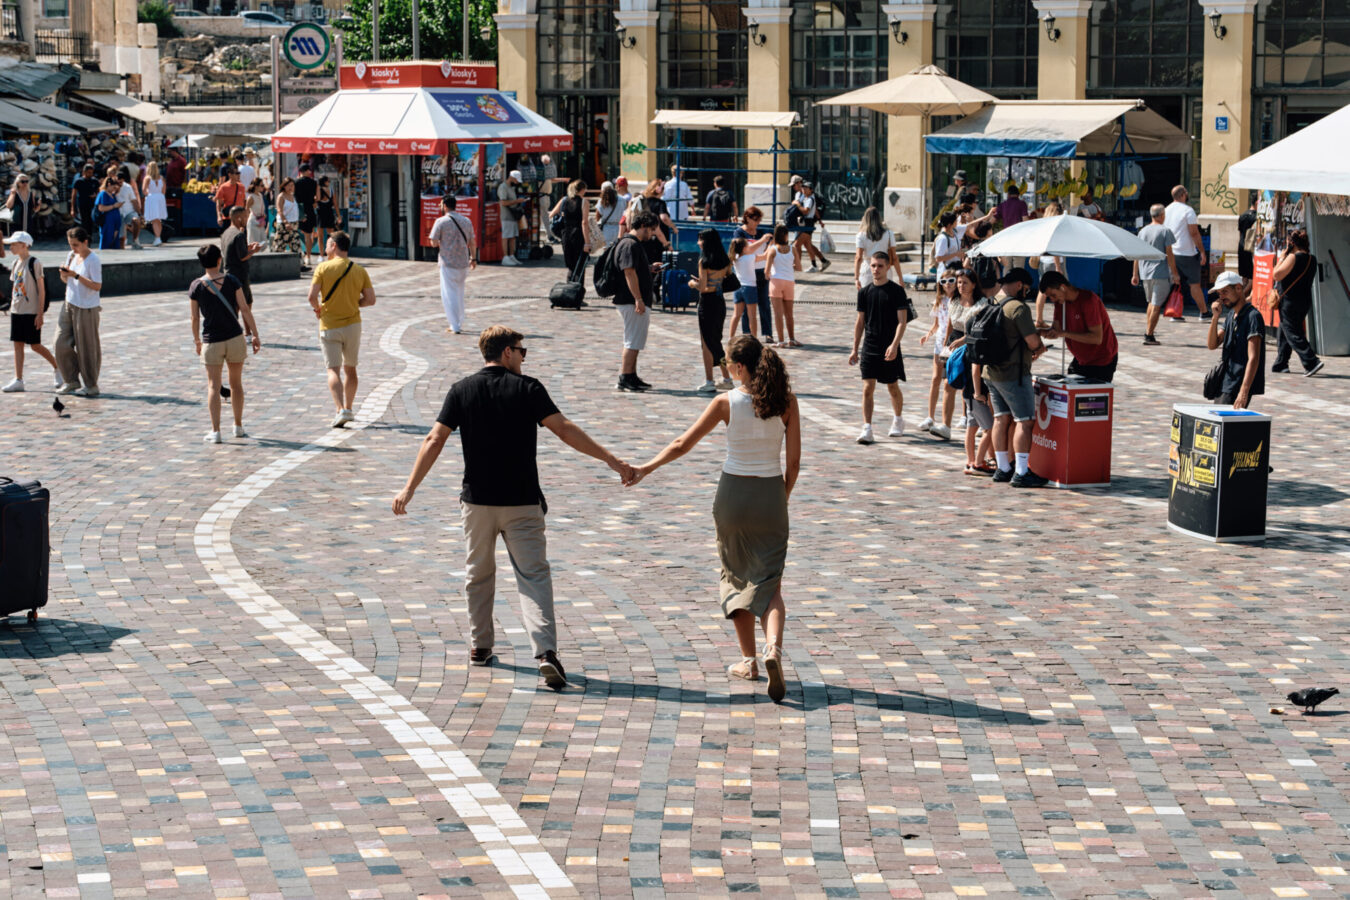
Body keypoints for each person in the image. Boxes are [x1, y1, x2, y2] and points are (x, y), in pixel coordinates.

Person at [392, 325, 633, 687]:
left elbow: (434, 438)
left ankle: (480, 646)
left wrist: (409, 488)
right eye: (522, 350)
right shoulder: (528, 389)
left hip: (477, 503)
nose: (524, 357)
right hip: (522, 501)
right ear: (507, 352)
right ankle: (545, 653)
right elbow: (564, 429)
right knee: (533, 576)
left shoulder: (461, 389)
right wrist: (611, 460)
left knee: (478, 573)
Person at [627, 334, 800, 703]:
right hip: (770, 493)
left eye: (727, 364)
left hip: (733, 495)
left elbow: (681, 444)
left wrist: (646, 467)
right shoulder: (786, 401)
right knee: (771, 584)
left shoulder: (726, 402)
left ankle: (749, 661)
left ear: (739, 367)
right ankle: (773, 650)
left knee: (736, 576)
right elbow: (795, 462)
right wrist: (779, 497)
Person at [975, 268, 1049, 488]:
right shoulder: (1018, 307)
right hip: (1013, 374)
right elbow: (1032, 342)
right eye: (1026, 289)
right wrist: (1040, 346)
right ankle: (1022, 471)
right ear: (1018, 284)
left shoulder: (991, 303)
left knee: (1000, 418)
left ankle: (1002, 468)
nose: (1026, 293)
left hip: (990, 372)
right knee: (1024, 421)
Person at [190, 243, 261, 443]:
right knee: (236, 384)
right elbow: (245, 309)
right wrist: (254, 334)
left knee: (213, 385)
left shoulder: (196, 286)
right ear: (219, 260)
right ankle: (238, 426)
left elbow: (194, 318)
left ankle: (216, 431)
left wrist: (196, 340)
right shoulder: (231, 280)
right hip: (235, 338)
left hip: (211, 341)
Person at [307, 231, 375, 427]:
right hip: (353, 325)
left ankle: (339, 409)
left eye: (328, 244)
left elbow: (311, 296)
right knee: (351, 369)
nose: (326, 247)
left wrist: (317, 309)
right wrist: (354, 303)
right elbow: (370, 299)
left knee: (333, 370)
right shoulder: (359, 270)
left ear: (334, 246)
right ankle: (349, 408)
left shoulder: (323, 268)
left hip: (329, 325)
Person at [849, 251, 908, 444]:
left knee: (892, 386)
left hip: (889, 346)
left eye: (880, 266)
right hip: (870, 346)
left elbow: (902, 322)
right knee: (867, 388)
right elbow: (860, 322)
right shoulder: (864, 292)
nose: (876, 269)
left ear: (888, 267)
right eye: (873, 265)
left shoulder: (897, 291)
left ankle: (898, 419)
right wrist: (854, 348)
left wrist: (894, 345)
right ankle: (867, 428)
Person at [947, 269, 994, 475]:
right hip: (958, 354)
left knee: (973, 421)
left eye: (965, 282)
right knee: (983, 423)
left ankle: (979, 459)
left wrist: (962, 340)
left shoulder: (982, 306)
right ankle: (976, 461)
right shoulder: (953, 302)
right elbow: (950, 327)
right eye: (958, 282)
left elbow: (977, 332)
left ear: (974, 284)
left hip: (972, 348)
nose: (960, 286)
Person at [1037, 271, 1120, 382]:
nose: (1052, 299)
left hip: (1101, 359)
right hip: (1081, 359)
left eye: (1053, 295)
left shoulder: (1089, 301)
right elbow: (1056, 331)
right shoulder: (1060, 303)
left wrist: (1065, 333)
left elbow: (1096, 338)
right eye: (1049, 297)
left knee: (1092, 397)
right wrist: (1037, 332)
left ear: (1062, 287)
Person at [2, 232, 58, 393]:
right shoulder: (15, 263)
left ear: (24, 245)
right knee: (17, 344)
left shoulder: (34, 263)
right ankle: (18, 379)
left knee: (35, 345)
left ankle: (57, 367)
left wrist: (40, 314)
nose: (10, 247)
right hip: (17, 310)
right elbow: (15, 287)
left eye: (14, 244)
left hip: (31, 311)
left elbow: (41, 290)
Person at [54, 227, 102, 398]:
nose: (73, 248)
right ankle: (71, 379)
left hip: (87, 307)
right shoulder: (72, 255)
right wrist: (64, 274)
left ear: (85, 242)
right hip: (69, 302)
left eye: (76, 245)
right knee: (60, 342)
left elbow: (97, 286)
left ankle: (91, 384)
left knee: (87, 347)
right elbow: (66, 279)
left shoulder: (93, 260)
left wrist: (75, 276)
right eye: (70, 244)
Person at [612, 211, 658, 392]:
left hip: (634, 299)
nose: (652, 234)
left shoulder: (631, 243)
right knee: (632, 340)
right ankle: (625, 377)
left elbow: (634, 269)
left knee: (636, 339)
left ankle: (631, 375)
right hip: (631, 300)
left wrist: (649, 269)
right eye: (651, 230)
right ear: (644, 227)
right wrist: (638, 299)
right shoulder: (630, 244)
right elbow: (629, 272)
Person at [1206, 270, 1265, 408]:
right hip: (1225, 381)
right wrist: (1215, 318)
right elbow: (1212, 344)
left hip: (1238, 383)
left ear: (1238, 288)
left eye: (1225, 292)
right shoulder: (1231, 315)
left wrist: (1244, 391)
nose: (1221, 297)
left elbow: (1253, 357)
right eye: (1219, 294)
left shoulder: (1252, 316)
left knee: (1227, 426)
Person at [1269, 229, 1323, 376]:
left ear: (1292, 243)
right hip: (1304, 300)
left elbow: (1276, 275)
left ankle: (1311, 361)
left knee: (1293, 333)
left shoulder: (1293, 258)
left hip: (1290, 301)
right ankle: (1281, 363)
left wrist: (1282, 257)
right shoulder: (1312, 259)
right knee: (1285, 329)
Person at [690, 229, 733, 393]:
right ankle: (727, 378)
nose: (698, 243)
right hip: (720, 302)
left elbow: (702, 287)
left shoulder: (704, 261)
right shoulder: (725, 260)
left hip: (707, 303)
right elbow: (727, 277)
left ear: (706, 242)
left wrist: (692, 284)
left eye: (700, 240)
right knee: (716, 341)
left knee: (707, 344)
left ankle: (709, 380)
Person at [429, 193, 477, 335]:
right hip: (463, 262)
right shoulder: (466, 221)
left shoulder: (441, 222)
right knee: (459, 293)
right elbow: (472, 242)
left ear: (444, 206)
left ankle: (454, 324)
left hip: (447, 262)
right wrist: (473, 258)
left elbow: (433, 242)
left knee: (449, 294)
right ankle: (459, 320)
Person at [1132, 204, 1180, 345]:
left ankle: (1149, 330)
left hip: (1145, 272)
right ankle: (1149, 334)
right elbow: (1169, 254)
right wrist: (1175, 273)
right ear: (1161, 215)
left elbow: (1137, 254)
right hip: (1160, 271)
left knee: (1151, 303)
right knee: (1156, 304)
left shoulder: (1143, 231)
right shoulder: (1165, 231)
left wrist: (1135, 273)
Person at [918, 272, 955, 440]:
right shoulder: (939, 301)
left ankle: (960, 417)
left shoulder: (958, 301)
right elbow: (936, 324)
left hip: (951, 345)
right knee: (935, 378)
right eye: (944, 281)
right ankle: (930, 416)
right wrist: (928, 334)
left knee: (952, 381)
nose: (947, 284)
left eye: (951, 281)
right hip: (939, 344)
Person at [1164, 185, 1209, 320]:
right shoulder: (1188, 211)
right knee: (1194, 283)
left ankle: (1176, 312)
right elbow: (1194, 233)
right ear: (1183, 194)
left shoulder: (1166, 210)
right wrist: (1202, 251)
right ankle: (1204, 312)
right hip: (1186, 252)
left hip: (1171, 251)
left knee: (1177, 283)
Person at [732, 207, 774, 343]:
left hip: (760, 271)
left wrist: (770, 244)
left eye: (759, 220)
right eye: (755, 220)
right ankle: (747, 333)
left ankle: (768, 333)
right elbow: (746, 251)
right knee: (746, 307)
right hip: (746, 273)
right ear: (748, 218)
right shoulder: (739, 233)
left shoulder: (760, 232)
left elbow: (765, 253)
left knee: (764, 302)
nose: (757, 223)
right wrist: (762, 240)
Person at [221, 205, 261, 313]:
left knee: (244, 303)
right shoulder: (239, 235)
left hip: (229, 273)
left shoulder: (226, 233)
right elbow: (243, 257)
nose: (247, 219)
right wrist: (254, 250)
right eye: (245, 217)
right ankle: (242, 329)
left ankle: (244, 329)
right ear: (239, 218)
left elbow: (232, 250)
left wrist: (247, 247)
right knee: (243, 305)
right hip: (239, 275)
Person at [764, 224, 799, 348]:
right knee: (789, 314)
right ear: (785, 235)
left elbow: (766, 270)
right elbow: (799, 267)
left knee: (778, 314)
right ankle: (792, 338)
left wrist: (768, 275)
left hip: (776, 281)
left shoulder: (772, 249)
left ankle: (781, 340)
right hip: (789, 281)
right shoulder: (793, 249)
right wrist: (790, 266)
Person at [549, 179, 591, 276]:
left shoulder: (564, 200)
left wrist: (564, 215)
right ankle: (577, 288)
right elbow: (584, 222)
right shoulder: (584, 202)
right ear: (582, 189)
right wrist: (587, 242)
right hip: (578, 234)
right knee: (580, 265)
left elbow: (551, 214)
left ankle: (570, 287)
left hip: (566, 233)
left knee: (570, 265)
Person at [853, 206, 900, 290]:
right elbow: (894, 257)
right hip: (884, 268)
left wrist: (856, 278)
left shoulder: (861, 235)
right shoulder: (889, 234)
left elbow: (858, 257)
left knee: (867, 299)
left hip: (868, 269)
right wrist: (900, 278)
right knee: (886, 298)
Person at [789, 181, 828, 272]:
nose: (804, 190)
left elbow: (806, 211)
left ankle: (797, 265)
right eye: (803, 188)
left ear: (811, 190)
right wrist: (820, 221)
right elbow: (815, 211)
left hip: (807, 223)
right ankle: (815, 264)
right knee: (807, 244)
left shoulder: (810, 199)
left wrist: (797, 205)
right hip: (805, 222)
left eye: (806, 188)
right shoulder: (806, 198)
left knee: (797, 244)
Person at [728, 237, 759, 341]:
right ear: (744, 248)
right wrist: (770, 245)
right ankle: (754, 339)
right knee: (752, 316)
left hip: (738, 288)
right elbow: (764, 256)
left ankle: (731, 337)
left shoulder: (735, 257)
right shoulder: (749, 258)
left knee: (736, 315)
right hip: (749, 287)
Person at [294, 164, 319, 268]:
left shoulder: (296, 183)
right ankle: (308, 256)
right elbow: (317, 197)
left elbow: (294, 196)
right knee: (308, 235)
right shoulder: (314, 183)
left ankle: (300, 255)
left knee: (297, 234)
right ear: (307, 171)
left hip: (299, 209)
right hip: (309, 209)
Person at [270, 178, 304, 254]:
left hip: (294, 224)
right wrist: (286, 222)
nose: (290, 188)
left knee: (296, 245)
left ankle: (299, 263)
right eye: (288, 185)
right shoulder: (281, 196)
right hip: (284, 224)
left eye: (292, 185)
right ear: (284, 186)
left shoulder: (292, 196)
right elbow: (279, 210)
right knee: (280, 246)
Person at [498, 169, 523, 266]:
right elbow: (503, 202)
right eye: (516, 180)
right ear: (512, 178)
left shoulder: (511, 188)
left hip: (513, 215)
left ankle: (511, 255)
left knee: (512, 236)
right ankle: (506, 256)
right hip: (506, 215)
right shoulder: (503, 187)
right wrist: (517, 201)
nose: (517, 182)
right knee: (506, 236)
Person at [116, 169, 143, 250]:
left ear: (123, 180)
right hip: (118, 213)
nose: (119, 184)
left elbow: (134, 201)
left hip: (128, 211)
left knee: (136, 221)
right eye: (118, 182)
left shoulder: (128, 187)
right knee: (121, 239)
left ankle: (135, 240)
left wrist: (139, 214)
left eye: (120, 182)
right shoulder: (112, 186)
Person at [93, 175, 122, 251]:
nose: (114, 189)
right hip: (107, 222)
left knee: (114, 242)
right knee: (106, 241)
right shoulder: (103, 194)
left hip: (114, 222)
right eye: (113, 187)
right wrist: (114, 206)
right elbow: (101, 208)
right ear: (109, 184)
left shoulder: (112, 195)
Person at [142, 162, 167, 246]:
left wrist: (149, 192)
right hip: (160, 198)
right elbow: (163, 191)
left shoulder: (147, 178)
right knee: (158, 219)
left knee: (154, 219)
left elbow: (144, 190)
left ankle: (157, 238)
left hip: (152, 198)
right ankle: (158, 237)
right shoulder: (162, 178)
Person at [69, 163, 99, 233]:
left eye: (91, 172)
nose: (90, 174)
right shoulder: (79, 182)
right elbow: (73, 195)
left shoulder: (95, 181)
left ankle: (89, 237)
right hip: (82, 205)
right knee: (84, 222)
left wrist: (95, 196)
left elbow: (99, 192)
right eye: (88, 172)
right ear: (84, 172)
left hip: (92, 204)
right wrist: (72, 208)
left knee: (91, 222)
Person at [214, 165, 246, 231]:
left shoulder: (242, 187)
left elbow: (244, 202)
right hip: (228, 218)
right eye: (236, 173)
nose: (238, 175)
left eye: (239, 173)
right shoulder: (223, 187)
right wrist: (219, 216)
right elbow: (218, 204)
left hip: (240, 219)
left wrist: (245, 217)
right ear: (230, 175)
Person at [595, 181, 626, 247]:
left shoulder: (601, 201)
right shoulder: (622, 199)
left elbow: (597, 217)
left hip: (606, 229)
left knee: (607, 251)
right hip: (619, 228)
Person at [1237, 195, 1259, 285]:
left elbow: (1240, 232)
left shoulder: (1242, 215)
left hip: (1241, 245)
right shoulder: (1256, 217)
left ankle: (1242, 294)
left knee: (1244, 275)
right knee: (1251, 276)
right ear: (1257, 203)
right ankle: (1246, 296)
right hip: (1251, 247)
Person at [316, 175, 338, 252]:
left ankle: (321, 255)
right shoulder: (331, 190)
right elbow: (335, 204)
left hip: (320, 213)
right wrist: (338, 216)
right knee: (331, 235)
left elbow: (317, 199)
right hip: (329, 213)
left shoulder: (318, 189)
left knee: (320, 236)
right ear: (324, 182)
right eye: (328, 181)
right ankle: (331, 252)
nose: (329, 183)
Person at [245, 178, 269, 247]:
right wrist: (245, 221)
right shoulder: (251, 197)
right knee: (254, 244)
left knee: (263, 244)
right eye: (261, 185)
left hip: (260, 220)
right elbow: (246, 209)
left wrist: (263, 214)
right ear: (256, 186)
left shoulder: (260, 195)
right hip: (253, 221)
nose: (263, 187)